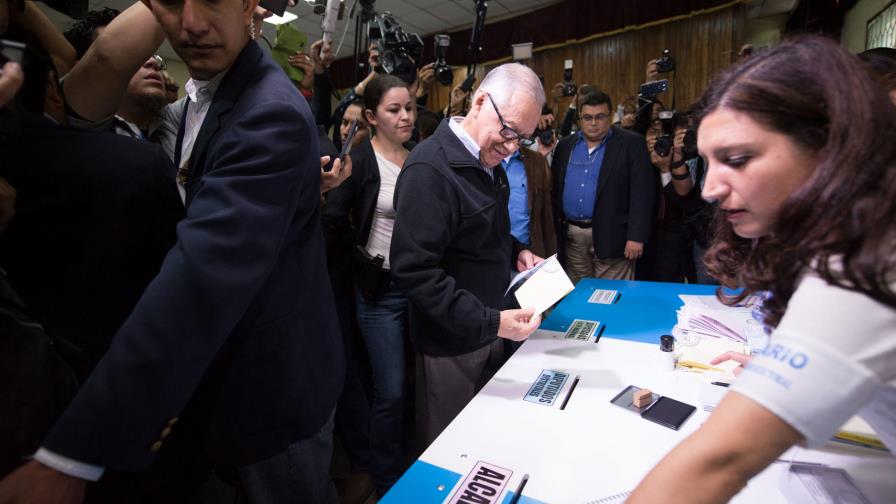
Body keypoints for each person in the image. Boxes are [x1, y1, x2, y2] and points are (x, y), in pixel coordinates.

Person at [0, 0, 344, 503]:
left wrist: (72, 456)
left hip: (272, 393)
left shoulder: (268, 110)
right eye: (168, 2)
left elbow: (200, 284)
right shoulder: (199, 96)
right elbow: (97, 66)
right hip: (218, 389)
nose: (191, 24)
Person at [629, 36, 896, 502]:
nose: (709, 188)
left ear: (828, 148)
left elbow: (718, 461)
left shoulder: (862, 263)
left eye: (737, 159)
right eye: (708, 163)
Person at [390, 63, 545, 446]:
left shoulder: (488, 161)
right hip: (451, 347)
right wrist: (491, 323)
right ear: (479, 102)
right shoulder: (430, 169)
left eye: (522, 139)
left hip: (490, 327)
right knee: (452, 450)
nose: (511, 147)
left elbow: (482, 231)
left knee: (487, 442)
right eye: (508, 131)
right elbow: (415, 273)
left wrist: (517, 252)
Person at [327, 74, 415, 497]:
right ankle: (385, 478)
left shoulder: (416, 158)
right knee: (391, 390)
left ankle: (409, 459)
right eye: (394, 110)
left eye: (409, 108)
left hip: (417, 289)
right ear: (372, 116)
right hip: (378, 294)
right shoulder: (360, 161)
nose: (405, 117)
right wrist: (358, 262)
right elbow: (331, 220)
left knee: (411, 386)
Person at [551, 90, 655, 284]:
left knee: (611, 295)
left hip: (615, 236)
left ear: (611, 115)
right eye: (587, 117)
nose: (593, 123)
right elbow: (555, 190)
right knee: (579, 293)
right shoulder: (566, 146)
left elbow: (642, 194)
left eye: (600, 117)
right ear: (579, 118)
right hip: (573, 236)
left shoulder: (631, 144)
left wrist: (636, 237)